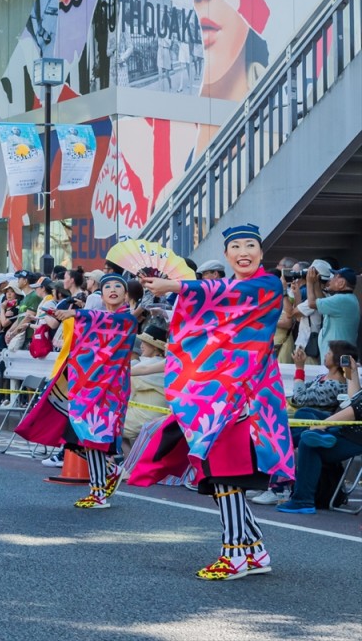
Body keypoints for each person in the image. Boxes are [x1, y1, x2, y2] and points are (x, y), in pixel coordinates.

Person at [133, 224, 292, 581]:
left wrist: (174, 285)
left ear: (261, 253)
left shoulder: (266, 285)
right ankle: (254, 549)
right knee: (217, 474)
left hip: (245, 395)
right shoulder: (222, 294)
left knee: (227, 473)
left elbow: (225, 289)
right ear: (227, 254)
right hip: (213, 396)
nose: (244, 251)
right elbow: (202, 320)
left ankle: (233, 554)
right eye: (235, 246)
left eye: (250, 244)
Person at [17, 273, 138, 508]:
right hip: (87, 387)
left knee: (93, 438)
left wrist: (74, 313)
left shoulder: (127, 320)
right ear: (100, 295)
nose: (112, 289)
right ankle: (111, 472)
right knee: (79, 438)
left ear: (126, 295)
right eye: (107, 287)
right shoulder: (97, 317)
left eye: (118, 286)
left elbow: (104, 322)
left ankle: (99, 493)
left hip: (109, 389)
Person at [276, 354, 361, 515]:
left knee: (306, 442)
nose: (327, 355)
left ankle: (302, 500)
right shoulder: (324, 378)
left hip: (354, 434)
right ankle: (316, 435)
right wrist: (352, 372)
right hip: (347, 426)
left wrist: (321, 425)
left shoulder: (332, 384)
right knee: (304, 416)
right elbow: (354, 400)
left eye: (330, 353)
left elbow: (355, 411)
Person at [306, 265, 359, 347]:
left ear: (341, 283)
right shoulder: (347, 298)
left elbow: (312, 303)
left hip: (337, 355)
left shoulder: (342, 299)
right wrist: (316, 284)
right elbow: (321, 302)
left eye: (334, 277)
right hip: (337, 353)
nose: (330, 280)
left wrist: (309, 282)